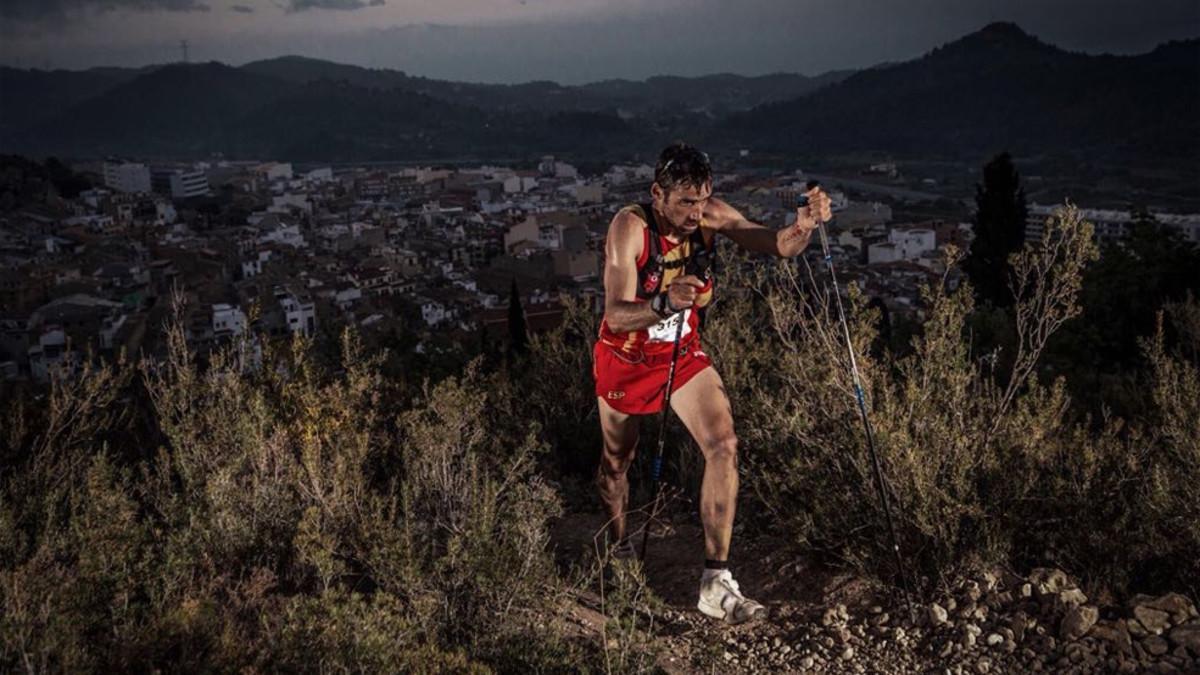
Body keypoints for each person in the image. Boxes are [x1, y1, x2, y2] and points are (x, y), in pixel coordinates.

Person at [593, 141, 832, 624]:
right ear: (658, 193)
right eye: (685, 202)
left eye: (702, 201)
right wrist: (662, 303)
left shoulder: (710, 215)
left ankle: (715, 582)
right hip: (627, 355)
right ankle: (618, 551)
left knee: (723, 443)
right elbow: (615, 316)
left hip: (681, 351)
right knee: (618, 463)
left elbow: (777, 244)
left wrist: (803, 227)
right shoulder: (630, 227)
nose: (695, 213)